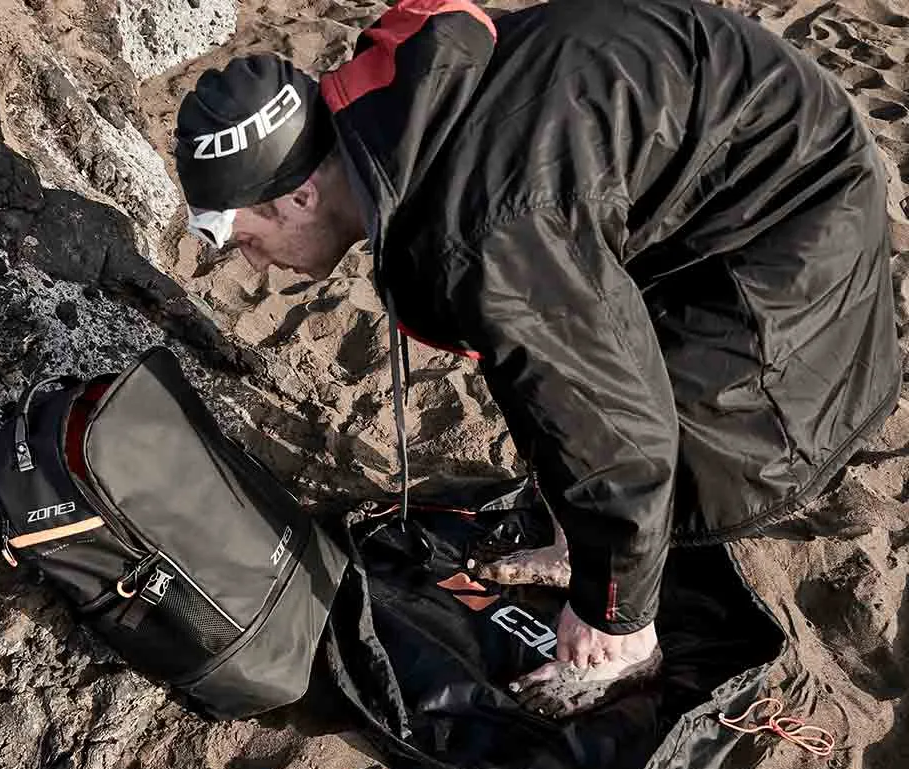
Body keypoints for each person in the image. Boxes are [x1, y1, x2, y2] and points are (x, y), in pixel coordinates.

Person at [170, 0, 900, 718]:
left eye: (246, 242)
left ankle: (641, 633)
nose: (258, 267)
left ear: (297, 197)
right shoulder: (407, 124)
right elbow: (541, 372)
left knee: (703, 431)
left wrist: (612, 610)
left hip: (789, 197)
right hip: (692, 152)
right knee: (552, 366)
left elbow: (618, 431)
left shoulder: (486, 231)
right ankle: (586, 548)